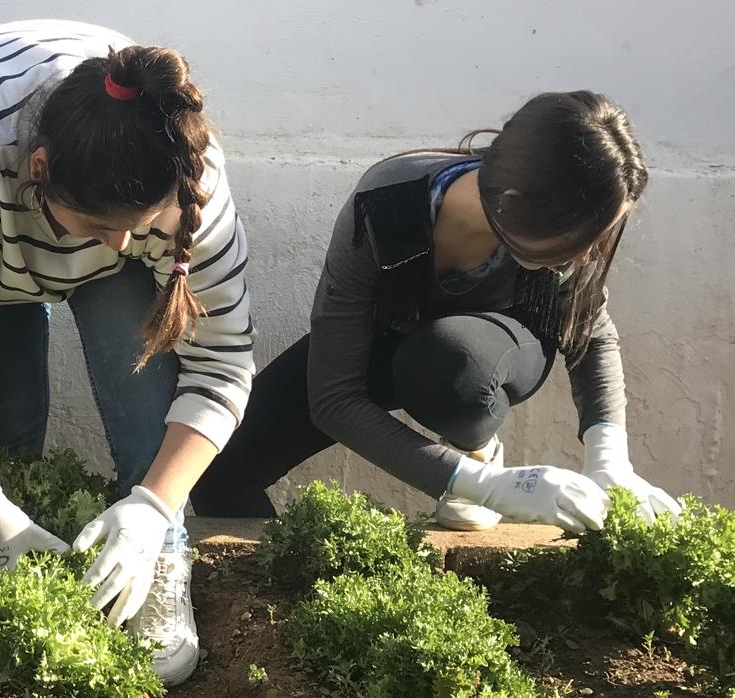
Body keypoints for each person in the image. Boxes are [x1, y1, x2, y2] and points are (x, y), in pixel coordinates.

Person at [0, 20, 253, 685]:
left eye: (131, 228)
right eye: (96, 227)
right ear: (42, 170)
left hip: (102, 212)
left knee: (147, 426)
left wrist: (154, 508)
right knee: (5, 429)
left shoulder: (186, 178)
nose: (113, 245)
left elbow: (224, 363)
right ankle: (12, 537)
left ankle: (157, 553)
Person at [192, 91, 680, 533]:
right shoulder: (385, 206)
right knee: (216, 468)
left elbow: (591, 330)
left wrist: (609, 458)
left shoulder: (553, 236)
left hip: (492, 349)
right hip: (395, 336)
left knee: (451, 362)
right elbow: (333, 398)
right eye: (582, 238)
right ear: (511, 204)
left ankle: (475, 443)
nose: (588, 256)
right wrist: (484, 486)